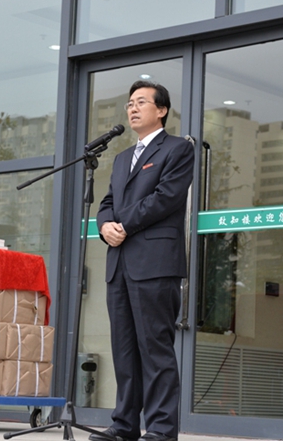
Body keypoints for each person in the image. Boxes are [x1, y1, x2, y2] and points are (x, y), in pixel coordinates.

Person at [92, 80, 194, 441]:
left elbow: (166, 197)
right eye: (129, 104)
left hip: (155, 264)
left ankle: (162, 430)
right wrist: (105, 225)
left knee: (155, 350)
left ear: (161, 110)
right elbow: (107, 202)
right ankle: (124, 426)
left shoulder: (178, 149)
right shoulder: (122, 159)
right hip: (119, 264)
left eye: (141, 102)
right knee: (124, 351)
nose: (132, 109)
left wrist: (123, 224)